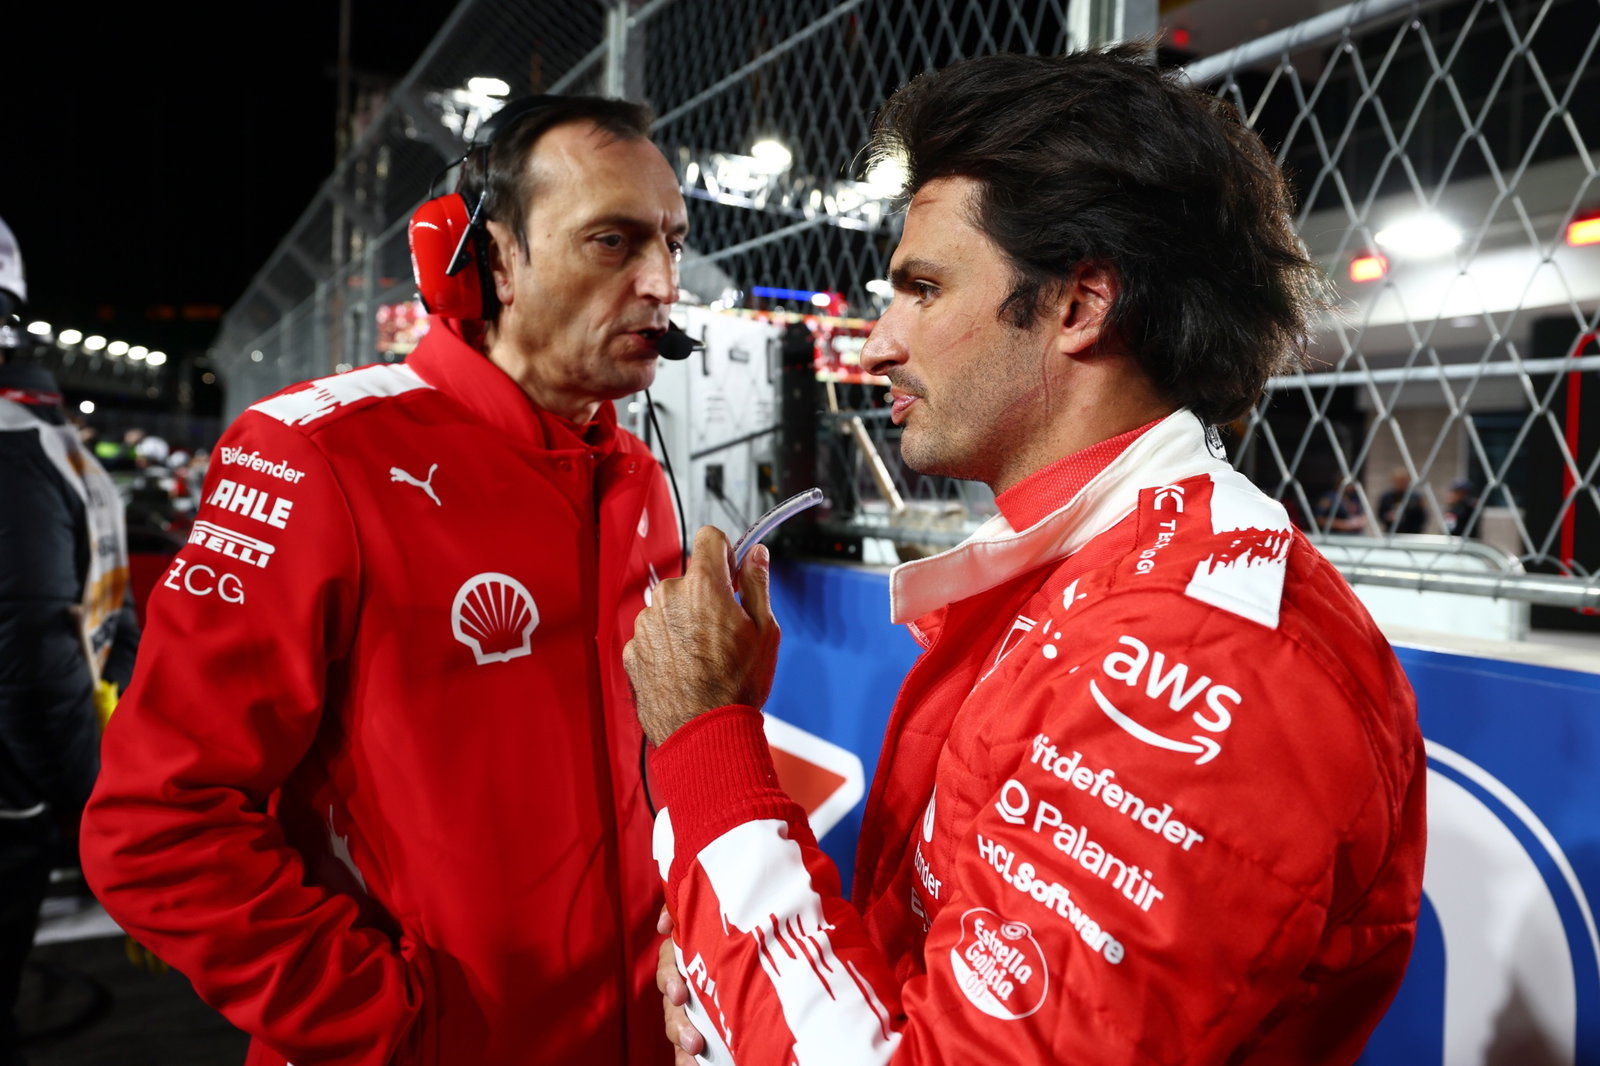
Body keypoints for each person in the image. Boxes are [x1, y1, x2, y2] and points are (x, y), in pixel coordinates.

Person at [625, 48, 1426, 1065]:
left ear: (1080, 306)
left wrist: (705, 746)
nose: (877, 343)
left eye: (922, 289)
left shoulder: (1197, 655)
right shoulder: (1085, 568)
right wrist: (731, 968)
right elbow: (932, 985)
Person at [79, 94, 687, 1066]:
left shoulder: (641, 480)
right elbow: (158, 823)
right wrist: (388, 1023)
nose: (661, 283)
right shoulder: (315, 453)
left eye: (672, 243)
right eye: (612, 241)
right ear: (486, 261)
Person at [0, 215, 139, 1062]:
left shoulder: (14, 450)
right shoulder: (43, 438)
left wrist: (95, 815)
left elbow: (34, 656)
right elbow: (108, 629)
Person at [1376, 467, 1426, 534]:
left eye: (1402, 481)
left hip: (1411, 533)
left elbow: (1422, 516)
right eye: (1398, 481)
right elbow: (1380, 514)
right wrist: (1387, 517)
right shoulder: (1386, 497)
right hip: (1391, 532)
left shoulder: (1415, 497)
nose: (1400, 483)